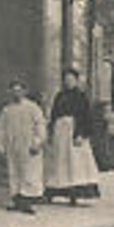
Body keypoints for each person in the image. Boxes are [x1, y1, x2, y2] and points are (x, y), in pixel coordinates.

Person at [44, 67, 101, 203]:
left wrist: (81, 134)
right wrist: (51, 131)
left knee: (76, 162)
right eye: (66, 79)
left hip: (75, 132)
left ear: (76, 80)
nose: (68, 82)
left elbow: (86, 117)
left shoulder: (81, 97)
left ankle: (75, 193)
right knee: (60, 162)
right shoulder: (60, 96)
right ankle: (56, 190)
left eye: (71, 79)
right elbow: (54, 115)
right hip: (60, 132)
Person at [0, 79, 46, 214]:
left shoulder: (33, 108)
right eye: (13, 91)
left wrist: (37, 142)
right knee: (14, 172)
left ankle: (28, 202)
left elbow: (40, 126)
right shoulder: (7, 110)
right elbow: (1, 128)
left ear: (25, 91)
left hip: (29, 145)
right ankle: (17, 200)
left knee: (29, 173)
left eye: (19, 90)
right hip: (13, 145)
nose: (16, 93)